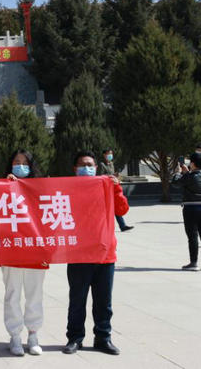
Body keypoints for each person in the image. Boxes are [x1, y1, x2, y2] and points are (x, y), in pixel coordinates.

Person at [63, 151, 129, 356]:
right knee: (77, 300)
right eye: (82, 165)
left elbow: (122, 210)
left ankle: (103, 338)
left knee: (103, 302)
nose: (87, 168)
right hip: (78, 254)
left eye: (90, 165)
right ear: (75, 169)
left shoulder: (106, 186)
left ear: (96, 168)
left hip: (104, 254)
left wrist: (116, 188)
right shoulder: (67, 189)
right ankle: (75, 338)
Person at [1, 150, 47, 356]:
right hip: (11, 250)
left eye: (25, 163)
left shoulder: (40, 187)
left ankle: (33, 334)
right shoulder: (3, 186)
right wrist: (7, 185)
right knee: (12, 294)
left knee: (34, 294)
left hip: (35, 250)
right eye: (16, 162)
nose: (20, 166)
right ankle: (15, 336)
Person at [171, 151, 201, 271]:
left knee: (192, 236)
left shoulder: (189, 177)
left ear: (193, 164)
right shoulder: (191, 175)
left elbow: (175, 183)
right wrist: (187, 173)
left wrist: (178, 172)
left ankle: (193, 263)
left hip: (191, 208)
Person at [99, 149, 133, 232]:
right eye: (108, 154)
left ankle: (123, 226)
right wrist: (111, 176)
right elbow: (101, 176)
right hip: (104, 189)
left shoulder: (111, 164)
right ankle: (103, 227)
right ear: (104, 155)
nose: (110, 155)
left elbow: (111, 174)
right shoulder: (101, 164)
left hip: (112, 188)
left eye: (111, 154)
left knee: (115, 206)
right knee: (106, 209)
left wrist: (115, 175)